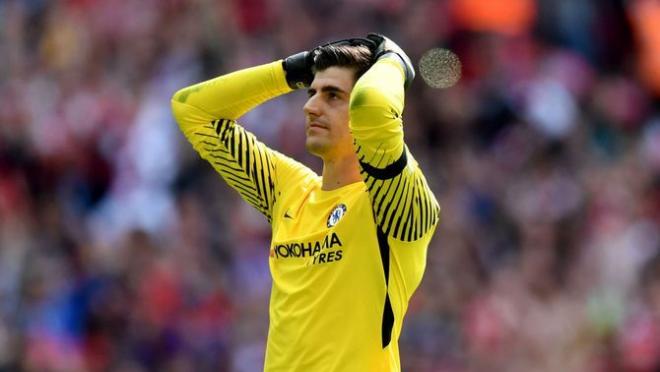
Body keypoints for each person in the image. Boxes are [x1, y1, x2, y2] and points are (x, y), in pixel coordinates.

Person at [171, 33, 440, 372]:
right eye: (312, 92)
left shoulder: (395, 203)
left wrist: (394, 60)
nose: (310, 105)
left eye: (332, 96)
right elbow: (192, 109)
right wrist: (290, 72)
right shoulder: (289, 191)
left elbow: (372, 105)